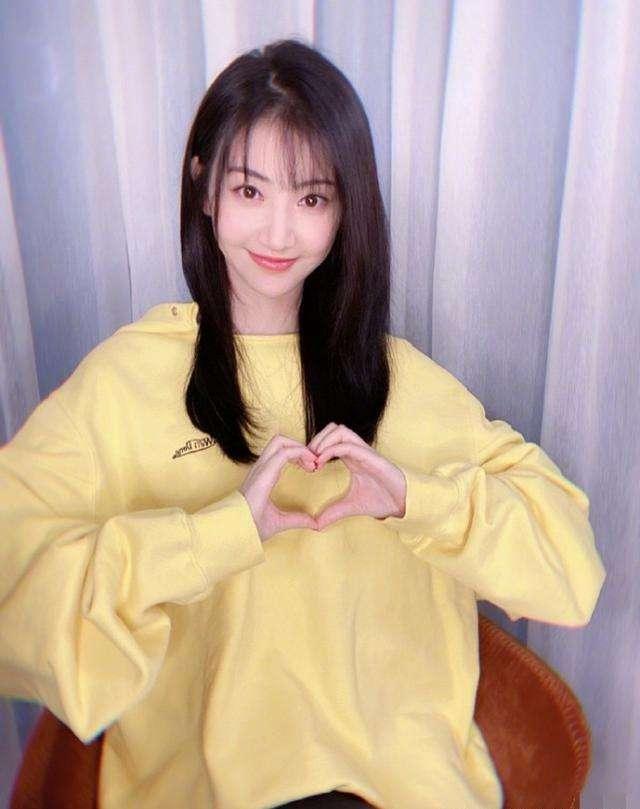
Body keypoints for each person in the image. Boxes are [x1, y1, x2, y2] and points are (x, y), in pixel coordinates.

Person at [0, 38, 605, 809]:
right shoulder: (128, 379)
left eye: (312, 199)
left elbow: (571, 570)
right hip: (210, 786)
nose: (279, 234)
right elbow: (11, 568)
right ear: (204, 186)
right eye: (251, 191)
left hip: (391, 784)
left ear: (346, 209)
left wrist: (416, 500)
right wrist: (217, 534)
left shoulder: (399, 379)